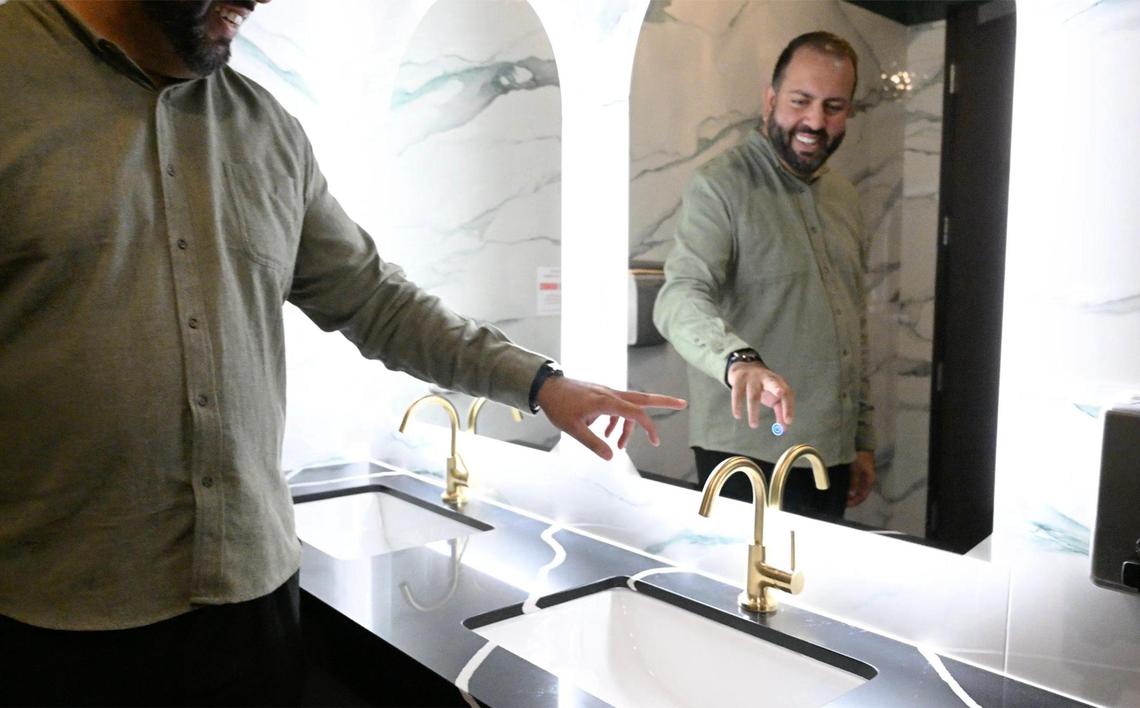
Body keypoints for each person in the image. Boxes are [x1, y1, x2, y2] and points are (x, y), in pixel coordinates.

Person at [0, 1, 685, 705]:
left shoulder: (265, 131)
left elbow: (375, 300)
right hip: (52, 622)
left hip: (250, 611)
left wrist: (541, 383)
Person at [654, 31, 875, 519]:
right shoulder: (720, 185)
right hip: (748, 453)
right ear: (771, 100)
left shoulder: (844, 197)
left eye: (834, 107)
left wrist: (859, 438)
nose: (815, 121)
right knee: (748, 592)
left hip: (830, 454)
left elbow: (851, 324)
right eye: (801, 101)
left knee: (810, 590)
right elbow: (680, 295)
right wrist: (739, 361)